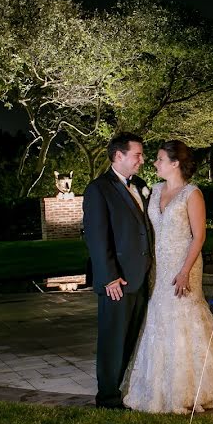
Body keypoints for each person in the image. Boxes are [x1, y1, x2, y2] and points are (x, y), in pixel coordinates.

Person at [121, 140, 213, 413]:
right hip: (159, 268)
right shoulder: (155, 190)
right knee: (159, 318)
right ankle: (159, 386)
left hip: (185, 265)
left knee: (184, 319)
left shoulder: (191, 194)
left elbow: (199, 236)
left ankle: (190, 388)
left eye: (160, 159)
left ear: (175, 164)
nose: (155, 163)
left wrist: (184, 271)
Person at [83, 132, 153, 409]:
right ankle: (108, 397)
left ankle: (122, 389)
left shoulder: (141, 185)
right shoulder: (98, 189)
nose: (142, 160)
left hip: (141, 277)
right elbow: (97, 238)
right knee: (113, 340)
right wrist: (109, 276)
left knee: (130, 338)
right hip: (117, 280)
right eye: (137, 154)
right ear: (118, 156)